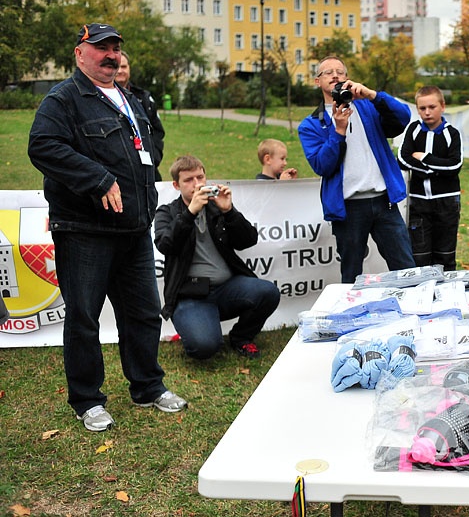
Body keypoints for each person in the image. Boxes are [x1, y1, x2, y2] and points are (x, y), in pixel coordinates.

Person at [28, 23, 186, 432]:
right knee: (84, 317)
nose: (111, 55)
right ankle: (87, 400)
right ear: (80, 54)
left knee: (144, 313)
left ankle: (148, 386)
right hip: (84, 230)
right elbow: (43, 145)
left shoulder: (130, 98)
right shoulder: (64, 99)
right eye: (101, 49)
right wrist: (97, 179)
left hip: (133, 228)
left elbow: (146, 152)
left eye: (115, 48)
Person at [297, 56, 415, 283]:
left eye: (340, 72)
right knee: (351, 274)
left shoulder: (368, 106)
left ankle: (414, 312)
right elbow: (322, 165)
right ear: (317, 81)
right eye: (328, 72)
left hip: (384, 202)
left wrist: (372, 95)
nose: (335, 76)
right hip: (349, 208)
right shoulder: (311, 124)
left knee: (405, 266)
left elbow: (403, 117)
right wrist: (338, 131)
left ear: (347, 78)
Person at [154, 155, 281, 359]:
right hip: (190, 294)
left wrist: (229, 212)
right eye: (189, 180)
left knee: (268, 292)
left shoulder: (216, 207)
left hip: (227, 288)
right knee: (204, 348)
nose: (197, 184)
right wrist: (190, 212)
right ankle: (197, 324)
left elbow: (248, 240)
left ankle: (241, 337)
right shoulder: (167, 212)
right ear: (176, 185)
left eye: (200, 177)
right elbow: (165, 244)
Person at [397, 86, 463, 270]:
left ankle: (447, 295)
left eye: (432, 107)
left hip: (447, 203)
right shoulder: (413, 129)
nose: (427, 112)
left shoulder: (452, 134)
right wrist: (432, 170)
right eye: (422, 108)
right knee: (420, 256)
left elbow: (454, 166)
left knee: (445, 256)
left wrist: (424, 158)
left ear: (442, 106)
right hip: (418, 203)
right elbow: (402, 158)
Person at [115, 50, 166, 181]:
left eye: (124, 66)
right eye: (117, 66)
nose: (120, 71)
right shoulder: (99, 98)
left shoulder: (143, 98)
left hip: (149, 171)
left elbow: (158, 132)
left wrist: (154, 158)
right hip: (118, 173)